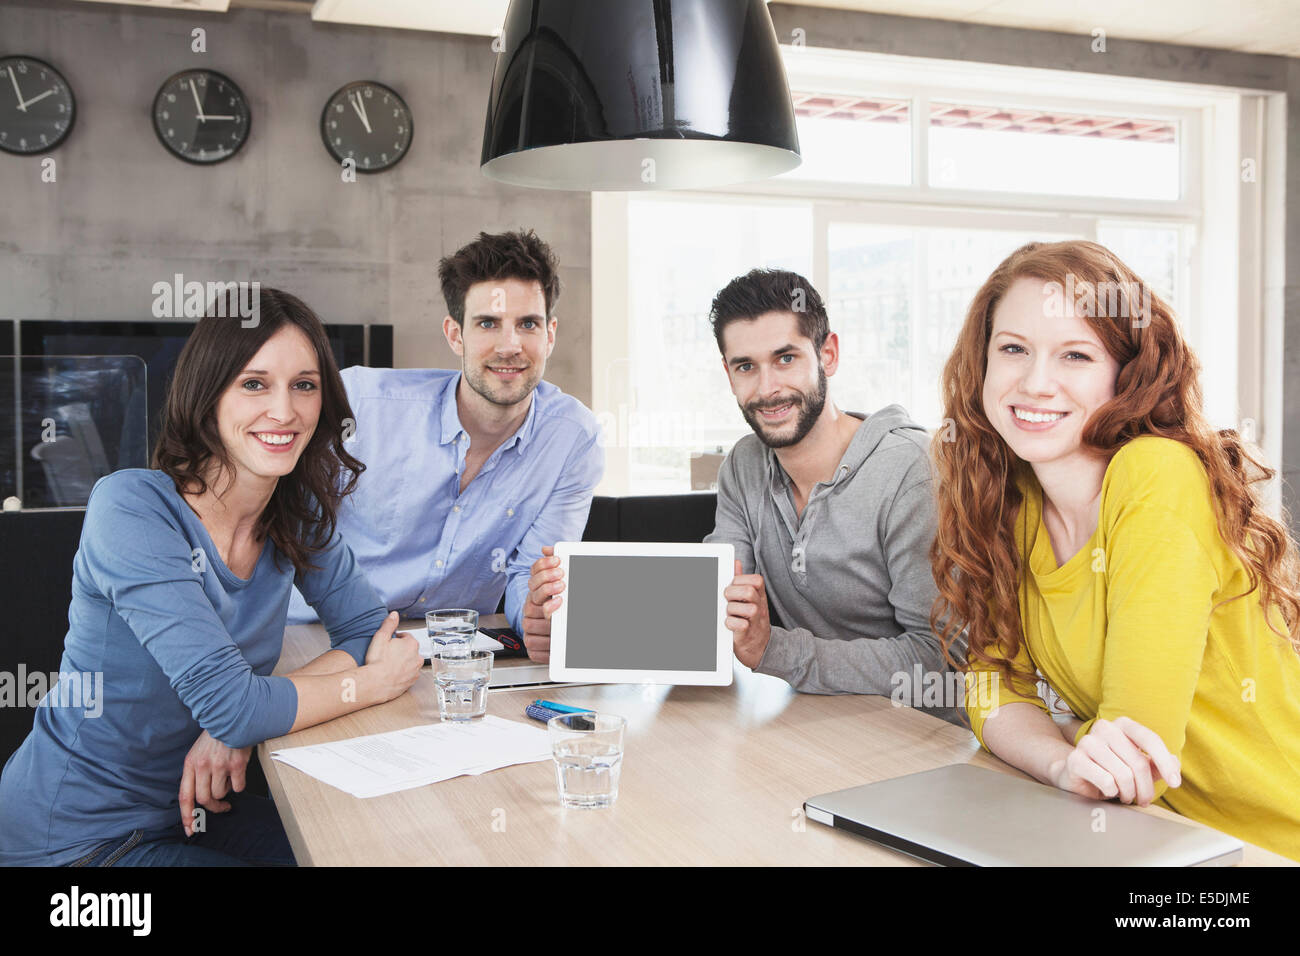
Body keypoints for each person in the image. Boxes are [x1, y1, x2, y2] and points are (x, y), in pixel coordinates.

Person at [0, 288, 423, 866]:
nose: (284, 411)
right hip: (76, 843)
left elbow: (369, 632)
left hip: (206, 811)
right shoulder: (131, 507)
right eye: (254, 383)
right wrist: (367, 684)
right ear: (208, 396)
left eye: (305, 385)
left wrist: (237, 722)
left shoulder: (296, 514)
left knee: (373, 850)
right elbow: (241, 704)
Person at [931, 239, 1300, 861]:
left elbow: (1136, 760)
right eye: (1013, 348)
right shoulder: (1015, 501)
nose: (1035, 382)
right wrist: (1061, 763)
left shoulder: (1157, 475)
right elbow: (991, 686)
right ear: (983, 363)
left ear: (1125, 375)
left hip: (1268, 846)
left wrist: (1091, 749)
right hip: (1166, 840)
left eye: (1075, 354)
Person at [525, 269, 962, 721]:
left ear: (827, 354)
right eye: (746, 366)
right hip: (821, 723)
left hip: (923, 739)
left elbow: (941, 662)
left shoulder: (911, 470)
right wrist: (571, 625)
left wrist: (775, 649)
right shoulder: (745, 464)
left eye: (786, 358)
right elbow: (706, 615)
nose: (767, 388)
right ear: (728, 373)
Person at [287, 229, 603, 658]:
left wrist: (532, 610)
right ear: (455, 335)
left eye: (527, 324)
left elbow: (528, 573)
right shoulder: (359, 403)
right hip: (315, 637)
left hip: (450, 653)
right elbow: (278, 520)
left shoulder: (573, 439)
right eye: (488, 323)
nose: (510, 346)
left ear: (549, 334)